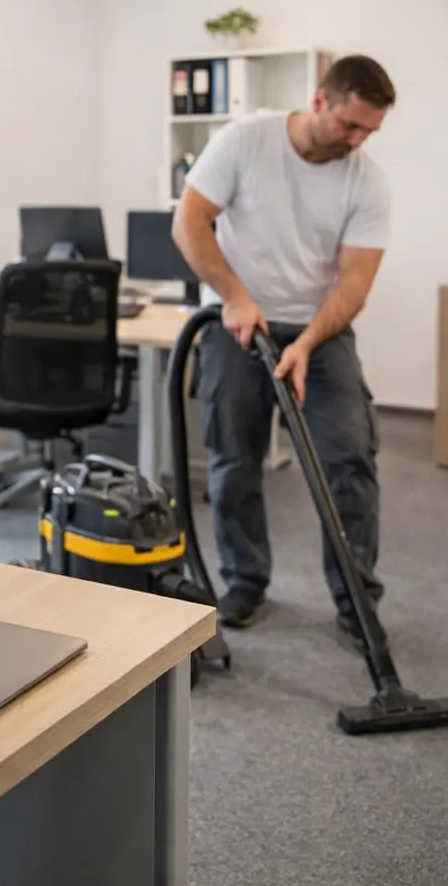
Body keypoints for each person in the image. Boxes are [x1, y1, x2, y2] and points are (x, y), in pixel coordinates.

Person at [172, 54, 395, 645]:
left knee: (349, 456)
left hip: (321, 331)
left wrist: (309, 342)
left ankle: (355, 598)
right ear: (320, 100)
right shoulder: (246, 141)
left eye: (370, 130)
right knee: (233, 456)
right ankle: (244, 580)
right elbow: (190, 223)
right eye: (351, 125)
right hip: (239, 321)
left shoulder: (365, 179)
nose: (358, 140)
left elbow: (354, 282)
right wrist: (238, 298)